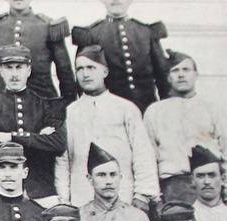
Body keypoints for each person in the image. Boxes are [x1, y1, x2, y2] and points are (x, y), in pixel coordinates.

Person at [0, 45, 69, 202]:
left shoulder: (46, 106)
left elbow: (58, 144)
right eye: (9, 67)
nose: (14, 74)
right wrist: (38, 139)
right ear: (1, 70)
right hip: (0, 191)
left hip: (41, 191)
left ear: (28, 70)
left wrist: (11, 137)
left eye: (19, 67)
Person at [62, 46, 158, 211]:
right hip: (82, 198)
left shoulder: (125, 108)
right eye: (79, 69)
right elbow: (64, 160)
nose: (85, 74)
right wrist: (64, 200)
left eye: (91, 68)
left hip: (124, 195)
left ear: (105, 71)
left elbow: (142, 153)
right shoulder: (70, 112)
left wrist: (143, 194)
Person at [145, 50, 227, 207]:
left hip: (211, 185)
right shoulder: (155, 112)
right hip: (173, 186)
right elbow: (149, 157)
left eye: (186, 70)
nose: (181, 75)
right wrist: (155, 198)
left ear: (196, 74)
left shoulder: (212, 109)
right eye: (175, 71)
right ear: (168, 77)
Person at [70, 0, 170, 115]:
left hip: (146, 108)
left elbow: (162, 76)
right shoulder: (91, 34)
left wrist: (166, 109)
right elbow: (83, 77)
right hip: (107, 112)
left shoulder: (146, 32)